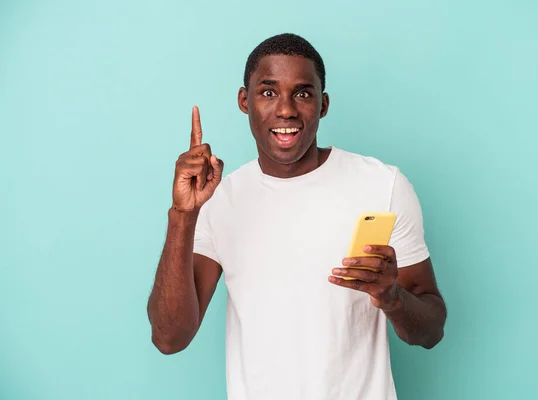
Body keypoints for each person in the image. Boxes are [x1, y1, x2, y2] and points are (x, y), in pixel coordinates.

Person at [147, 33, 447, 400]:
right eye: (268, 92)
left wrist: (392, 298)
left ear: (323, 104)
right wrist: (182, 215)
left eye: (303, 93)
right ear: (245, 101)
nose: (286, 110)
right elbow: (169, 338)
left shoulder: (383, 185)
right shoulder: (220, 199)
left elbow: (431, 331)